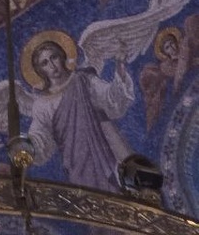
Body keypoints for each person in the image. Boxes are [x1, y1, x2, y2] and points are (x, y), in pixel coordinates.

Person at [25, 37, 134, 191]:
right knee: (88, 194)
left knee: (116, 187)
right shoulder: (42, 104)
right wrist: (27, 146)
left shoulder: (83, 80)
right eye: (45, 63)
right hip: (76, 159)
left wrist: (120, 69)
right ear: (40, 70)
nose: (52, 65)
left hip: (103, 148)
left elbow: (111, 99)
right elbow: (40, 136)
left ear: (62, 56)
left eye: (54, 57)